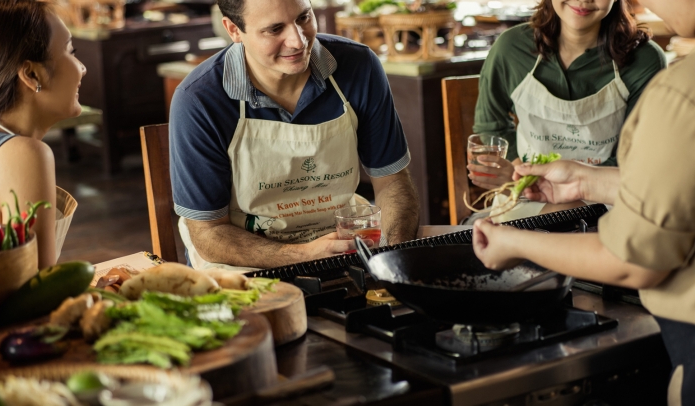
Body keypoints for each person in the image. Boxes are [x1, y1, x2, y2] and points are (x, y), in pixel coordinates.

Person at [472, 0, 695, 402]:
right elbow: (673, 183)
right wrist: (585, 181)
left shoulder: (677, 87)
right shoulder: (511, 48)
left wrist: (514, 243)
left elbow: (635, 263)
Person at [169, 0, 419, 270]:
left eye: (303, 18)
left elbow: (392, 182)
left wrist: (393, 261)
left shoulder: (359, 66)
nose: (298, 41)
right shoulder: (199, 99)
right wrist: (304, 255)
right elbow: (209, 234)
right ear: (233, 30)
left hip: (346, 241)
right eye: (275, 29)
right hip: (246, 259)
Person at [467, 0, 666, 220]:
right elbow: (490, 125)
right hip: (525, 194)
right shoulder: (511, 48)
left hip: (608, 199)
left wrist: (573, 192)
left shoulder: (645, 60)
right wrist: (520, 175)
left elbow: (638, 155)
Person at [0, 0, 87, 268]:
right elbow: (37, 291)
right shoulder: (24, 154)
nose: (81, 67)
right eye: (71, 51)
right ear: (31, 74)